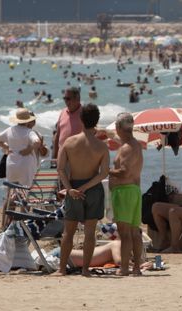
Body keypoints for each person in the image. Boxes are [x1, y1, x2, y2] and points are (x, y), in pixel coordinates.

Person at [54, 104, 110, 277]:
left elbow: (60, 169)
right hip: (93, 190)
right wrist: (85, 187)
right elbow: (104, 173)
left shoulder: (70, 142)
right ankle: (85, 269)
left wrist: (70, 189)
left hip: (74, 188)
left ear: (80, 119)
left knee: (68, 232)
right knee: (90, 233)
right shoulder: (101, 146)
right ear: (97, 120)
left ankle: (62, 269)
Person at [109, 112, 144, 276]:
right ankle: (136, 268)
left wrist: (106, 171)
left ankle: (124, 268)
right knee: (135, 232)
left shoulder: (126, 148)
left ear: (118, 128)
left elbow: (123, 172)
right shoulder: (135, 145)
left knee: (125, 233)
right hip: (134, 191)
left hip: (124, 191)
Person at [0, 108, 45, 201]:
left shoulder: (10, 130)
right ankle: (23, 215)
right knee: (26, 194)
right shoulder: (29, 132)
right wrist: (29, 149)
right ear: (28, 120)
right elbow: (37, 142)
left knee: (10, 193)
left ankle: (8, 213)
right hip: (25, 165)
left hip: (12, 165)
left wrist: (6, 147)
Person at [53, 87, 83, 160]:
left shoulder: (85, 113)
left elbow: (91, 136)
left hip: (78, 159)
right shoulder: (63, 112)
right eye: (64, 99)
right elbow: (57, 136)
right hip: (61, 159)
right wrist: (54, 157)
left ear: (77, 99)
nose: (66, 101)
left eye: (68, 99)